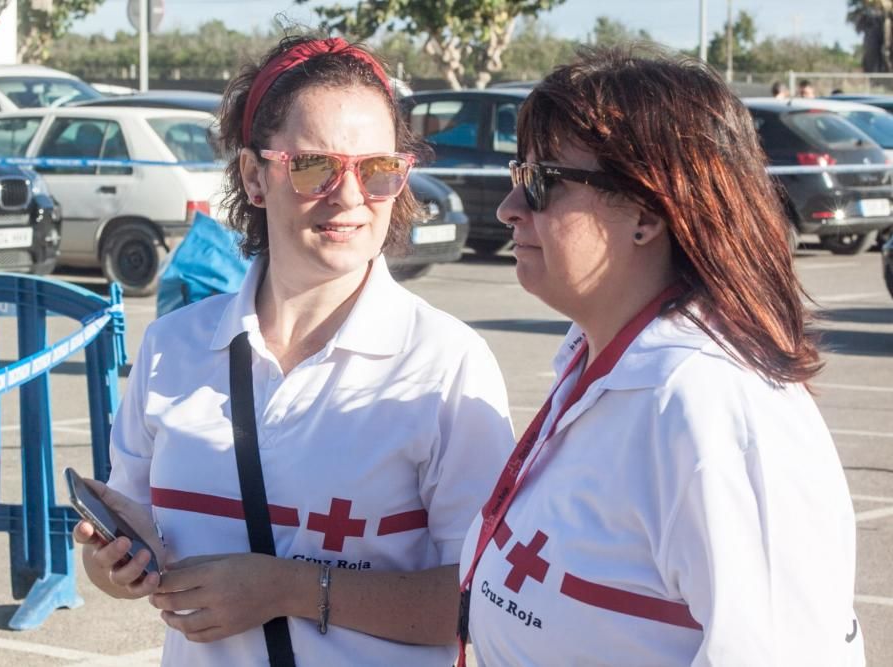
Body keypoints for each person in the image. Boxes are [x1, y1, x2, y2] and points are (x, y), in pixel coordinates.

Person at [73, 35, 515, 666]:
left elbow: (483, 603)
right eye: (315, 167)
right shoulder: (174, 346)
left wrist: (290, 589)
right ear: (254, 176)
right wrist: (113, 566)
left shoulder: (445, 364)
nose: (350, 196)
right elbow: (125, 544)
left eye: (378, 169)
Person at [458, 47, 864, 666]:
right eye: (517, 175)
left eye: (540, 183)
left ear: (646, 213)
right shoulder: (601, 361)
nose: (508, 208)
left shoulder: (714, 408)